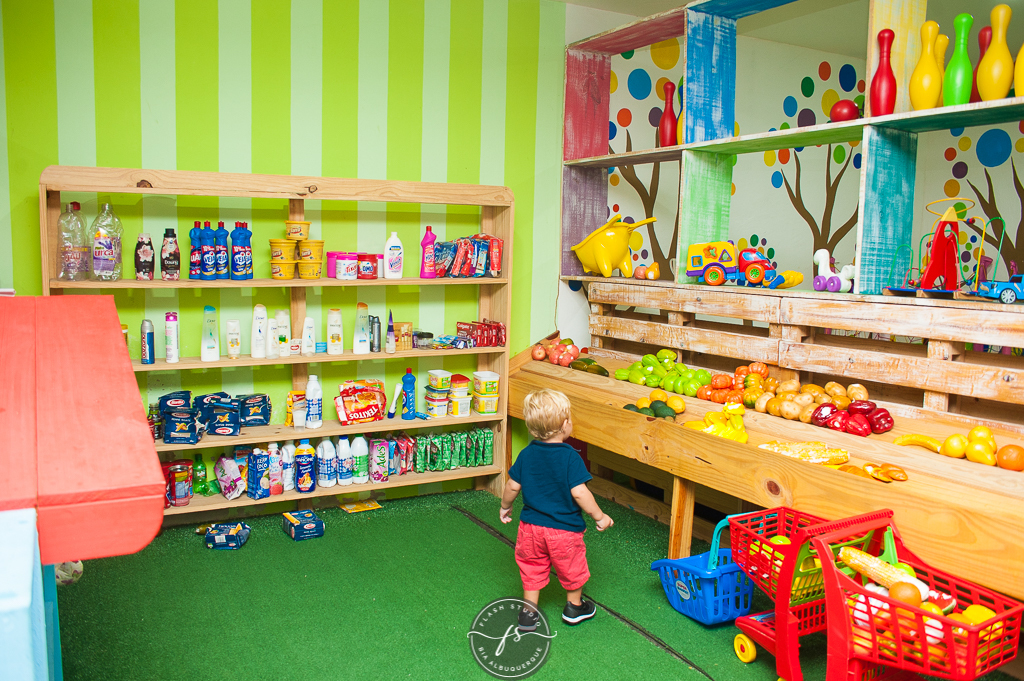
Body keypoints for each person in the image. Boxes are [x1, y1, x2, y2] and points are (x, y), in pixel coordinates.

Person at [500, 389, 613, 630]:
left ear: (532, 429)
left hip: (530, 528)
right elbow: (579, 492)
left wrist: (505, 506)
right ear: (565, 425)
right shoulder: (571, 457)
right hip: (564, 531)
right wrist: (599, 516)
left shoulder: (527, 453)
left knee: (531, 566)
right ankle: (574, 607)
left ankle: (528, 613)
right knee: (570, 565)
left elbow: (512, 485)